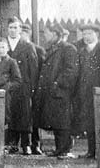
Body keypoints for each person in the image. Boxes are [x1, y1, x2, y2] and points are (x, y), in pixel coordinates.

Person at [33, 23, 79, 159]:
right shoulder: (53, 48)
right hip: (53, 92)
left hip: (61, 92)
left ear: (55, 34)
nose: (45, 36)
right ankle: (60, 149)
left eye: (47, 33)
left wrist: (57, 84)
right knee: (57, 121)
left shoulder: (68, 49)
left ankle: (64, 149)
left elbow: (71, 71)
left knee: (62, 122)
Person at [5, 17, 39, 155]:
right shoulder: (3, 44)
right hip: (8, 85)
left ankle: (26, 144)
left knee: (24, 115)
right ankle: (12, 144)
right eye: (10, 27)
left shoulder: (27, 46)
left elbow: (34, 68)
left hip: (23, 86)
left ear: (20, 29)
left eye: (15, 27)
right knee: (10, 114)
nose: (13, 30)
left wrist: (31, 87)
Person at [72, 23, 100, 159]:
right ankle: (92, 150)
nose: (86, 37)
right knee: (89, 121)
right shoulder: (81, 51)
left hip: (99, 91)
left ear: (96, 34)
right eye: (84, 34)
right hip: (85, 93)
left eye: (89, 33)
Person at [20, 23, 46, 154]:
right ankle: (25, 144)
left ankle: (36, 144)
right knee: (24, 117)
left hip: (35, 88)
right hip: (24, 88)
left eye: (25, 32)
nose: (22, 35)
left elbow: (40, 70)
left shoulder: (38, 49)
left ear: (29, 34)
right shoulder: (17, 48)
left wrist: (36, 87)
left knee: (34, 118)